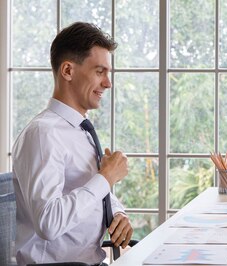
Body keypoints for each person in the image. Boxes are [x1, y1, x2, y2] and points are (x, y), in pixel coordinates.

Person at [12, 22, 133, 265]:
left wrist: (116, 211)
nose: (108, 83)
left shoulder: (80, 130)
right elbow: (49, 222)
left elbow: (85, 188)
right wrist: (106, 178)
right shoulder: (43, 134)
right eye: (100, 72)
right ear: (68, 71)